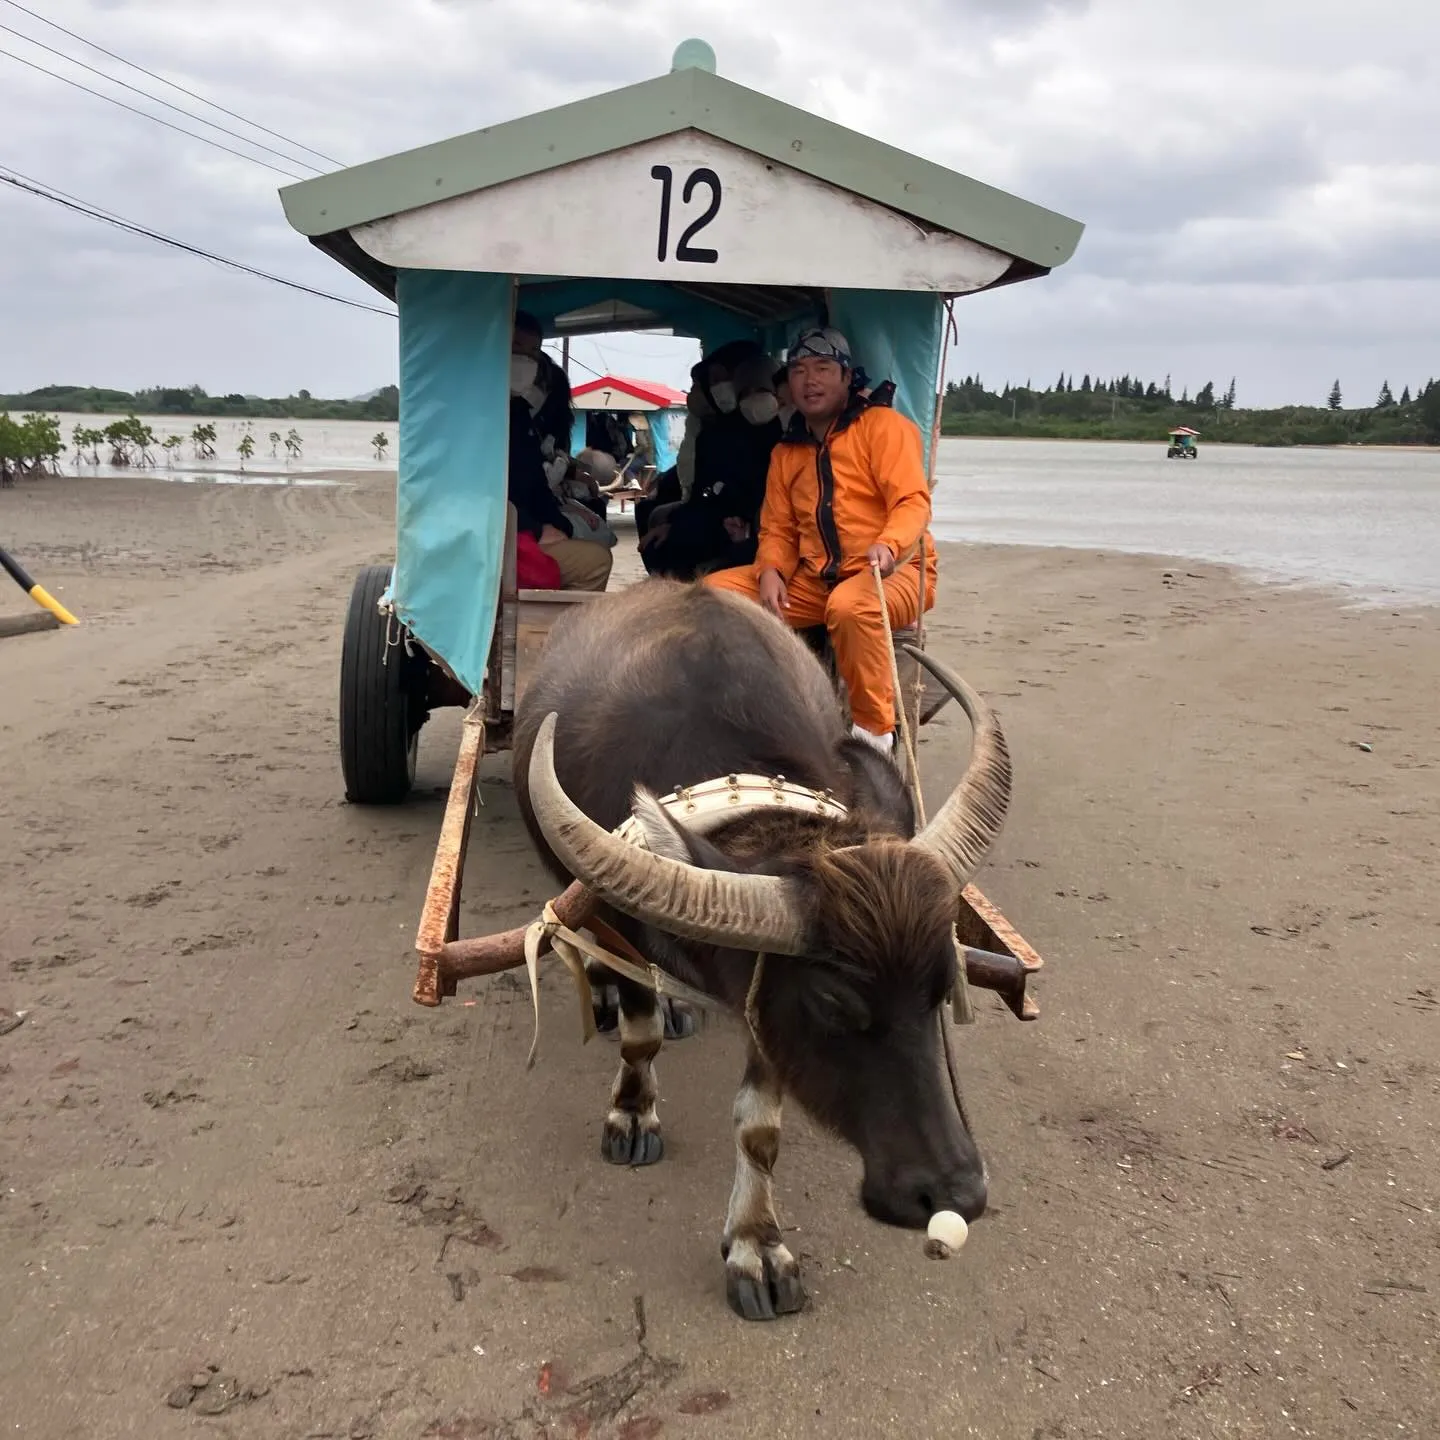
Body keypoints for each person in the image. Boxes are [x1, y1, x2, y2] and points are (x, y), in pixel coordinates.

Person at [703, 327, 938, 755]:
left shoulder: (883, 427)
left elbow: (912, 502)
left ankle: (874, 736)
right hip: (815, 580)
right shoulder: (786, 451)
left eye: (823, 368)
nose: (810, 380)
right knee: (715, 593)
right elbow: (778, 529)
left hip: (898, 572)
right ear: (787, 384)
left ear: (848, 377)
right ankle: (753, 713)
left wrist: (889, 543)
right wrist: (771, 570)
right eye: (798, 370)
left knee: (851, 605)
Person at [640, 345, 783, 581]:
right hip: (724, 517)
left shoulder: (790, 433)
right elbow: (707, 490)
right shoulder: (718, 431)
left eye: (761, 390)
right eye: (746, 391)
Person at [508, 347, 612, 592]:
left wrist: (558, 524)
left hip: (531, 517)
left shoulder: (526, 422)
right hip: (513, 531)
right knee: (596, 560)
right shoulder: (506, 422)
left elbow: (537, 486)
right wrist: (539, 528)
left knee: (593, 515)